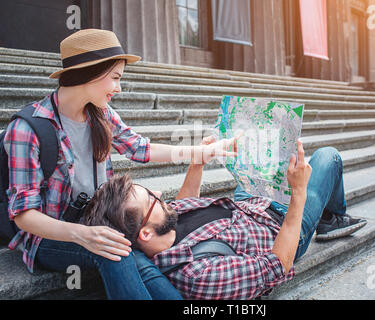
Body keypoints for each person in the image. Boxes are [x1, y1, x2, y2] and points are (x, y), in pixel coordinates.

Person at [4, 29, 238, 299]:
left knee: (134, 253)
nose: (119, 88)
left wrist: (196, 152)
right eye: (115, 78)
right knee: (117, 251)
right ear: (90, 72)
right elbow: (24, 217)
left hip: (95, 219)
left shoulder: (100, 113)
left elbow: (139, 148)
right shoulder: (27, 129)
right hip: (49, 235)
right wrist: (83, 235)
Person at [83, 138, 368, 299]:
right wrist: (298, 194)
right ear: (144, 234)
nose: (159, 194)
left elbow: (184, 203)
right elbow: (278, 265)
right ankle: (330, 218)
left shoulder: (161, 224)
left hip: (247, 204)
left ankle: (327, 211)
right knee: (327, 157)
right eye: (152, 199)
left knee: (265, 148)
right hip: (284, 226)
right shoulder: (199, 274)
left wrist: (197, 165)